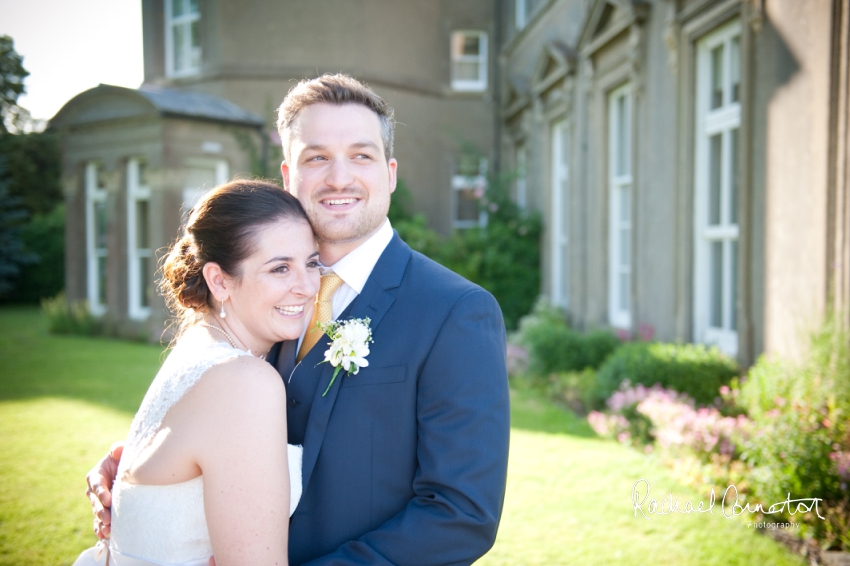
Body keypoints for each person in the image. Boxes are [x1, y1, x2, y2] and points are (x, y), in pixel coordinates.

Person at [88, 74, 510, 565]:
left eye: (361, 155)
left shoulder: (456, 312)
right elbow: (226, 421)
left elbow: (461, 514)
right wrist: (148, 473)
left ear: (390, 173)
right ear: (289, 176)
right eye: (317, 157)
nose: (338, 177)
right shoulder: (266, 298)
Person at [77, 181, 320, 565]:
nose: (307, 287)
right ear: (219, 281)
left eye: (312, 262)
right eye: (280, 268)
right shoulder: (243, 382)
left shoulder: (197, 349)